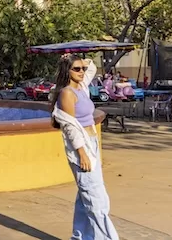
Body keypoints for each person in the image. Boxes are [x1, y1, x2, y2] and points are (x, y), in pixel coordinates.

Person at [49, 54, 119, 239]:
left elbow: (92, 67)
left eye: (83, 69)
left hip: (91, 143)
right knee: (96, 199)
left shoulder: (81, 87)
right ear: (67, 71)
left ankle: (80, 237)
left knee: (85, 196)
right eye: (76, 69)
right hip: (80, 148)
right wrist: (82, 155)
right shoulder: (67, 94)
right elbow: (70, 128)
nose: (82, 72)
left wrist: (75, 58)